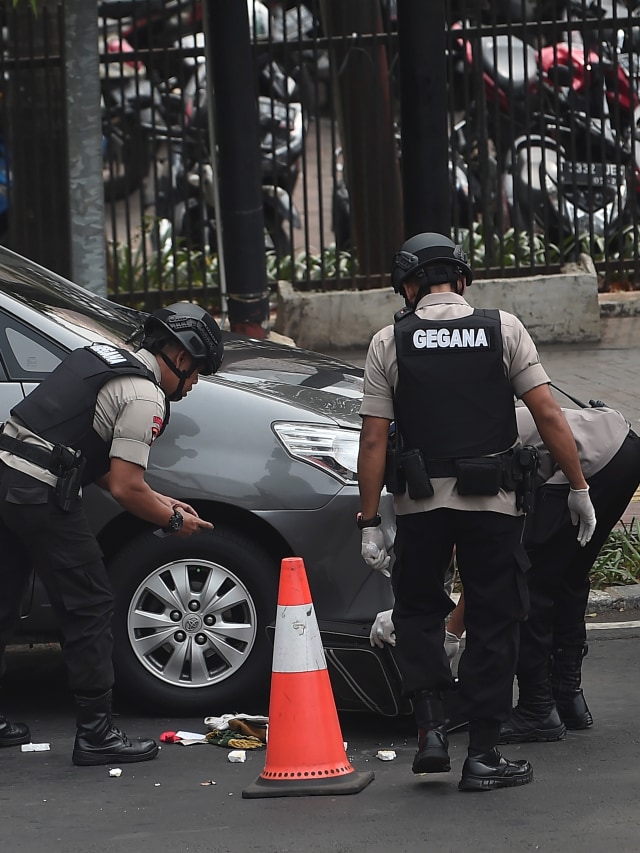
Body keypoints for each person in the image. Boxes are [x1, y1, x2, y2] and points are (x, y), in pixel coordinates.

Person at [357, 232, 596, 793]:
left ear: (409, 286)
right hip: (494, 506)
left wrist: (369, 521)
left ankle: (431, 729)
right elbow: (550, 415)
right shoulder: (503, 329)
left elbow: (373, 441)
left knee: (416, 610)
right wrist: (579, 486)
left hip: (419, 505)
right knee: (494, 618)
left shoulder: (387, 341)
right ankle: (484, 756)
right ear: (462, 280)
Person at [0, 302, 223, 766]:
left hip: (7, 479)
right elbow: (124, 486)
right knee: (91, 605)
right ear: (182, 357)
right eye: (198, 372)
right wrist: (174, 522)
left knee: (2, 598)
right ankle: (96, 734)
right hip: (40, 496)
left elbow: (92, 463)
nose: (195, 384)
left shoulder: (102, 357)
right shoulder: (144, 398)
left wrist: (163, 501)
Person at [499, 403, 640, 743]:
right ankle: (569, 700)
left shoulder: (463, 452)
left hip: (589, 465)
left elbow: (491, 552)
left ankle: (537, 709)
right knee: (569, 574)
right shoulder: (480, 422)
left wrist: (452, 631)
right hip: (625, 450)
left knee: (527, 581)